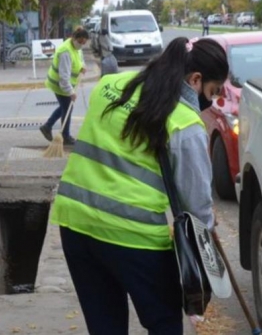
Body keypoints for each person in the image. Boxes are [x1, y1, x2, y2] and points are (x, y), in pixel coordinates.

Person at [49, 37, 229, 334]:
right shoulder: (184, 122)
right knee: (165, 323)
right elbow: (196, 208)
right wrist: (209, 225)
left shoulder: (111, 85)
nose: (210, 101)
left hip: (75, 224)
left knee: (105, 326)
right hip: (133, 235)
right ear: (195, 80)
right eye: (212, 92)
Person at [39, 27, 89, 146]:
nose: (81, 45)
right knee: (67, 108)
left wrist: (83, 66)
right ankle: (65, 136)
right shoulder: (65, 52)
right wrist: (71, 92)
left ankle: (47, 126)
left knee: (65, 107)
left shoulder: (75, 47)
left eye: (84, 43)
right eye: (80, 42)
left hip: (65, 83)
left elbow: (80, 57)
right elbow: (64, 77)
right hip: (60, 84)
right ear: (74, 38)